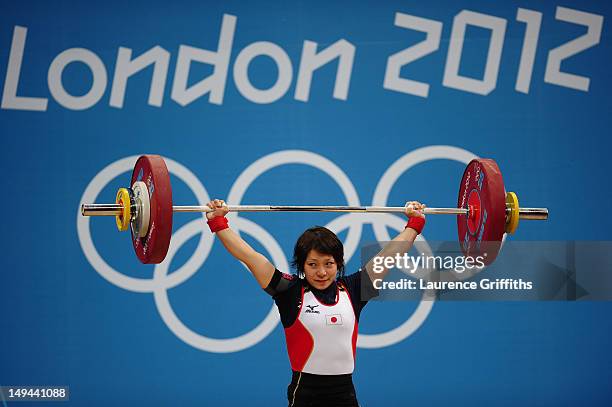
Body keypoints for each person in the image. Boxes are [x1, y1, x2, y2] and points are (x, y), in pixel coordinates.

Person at [205, 199, 426, 407]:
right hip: (305, 393)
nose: (321, 272)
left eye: (329, 264)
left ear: (338, 264)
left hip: (345, 393)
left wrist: (414, 223)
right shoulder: (289, 292)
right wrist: (218, 222)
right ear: (302, 265)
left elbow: (389, 255)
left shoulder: (354, 289)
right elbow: (250, 257)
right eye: (312, 264)